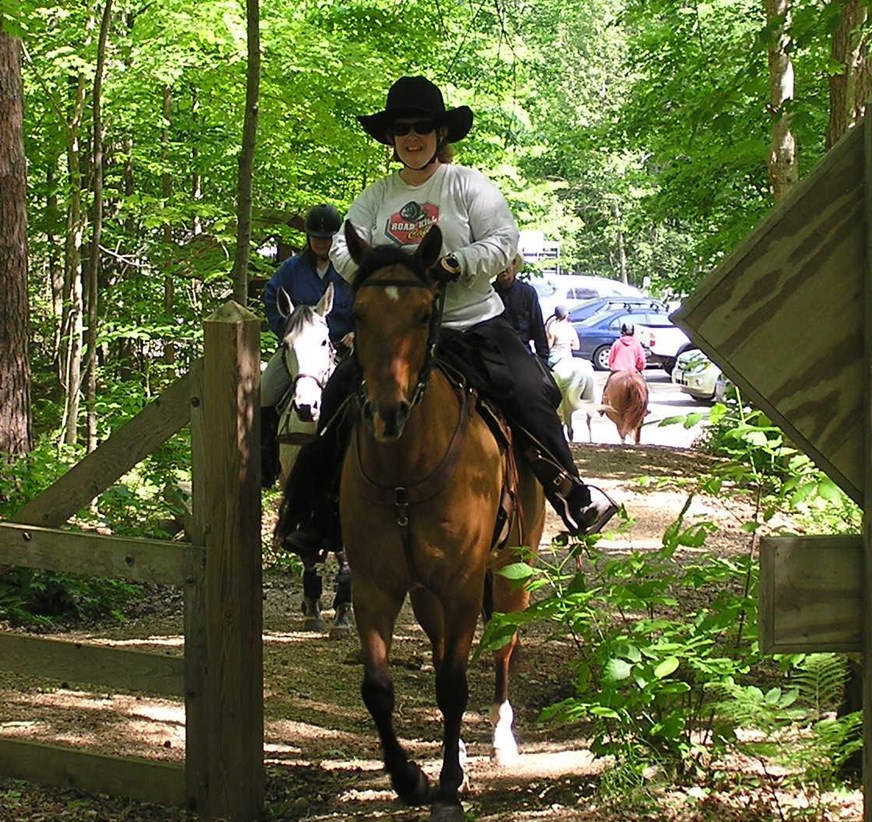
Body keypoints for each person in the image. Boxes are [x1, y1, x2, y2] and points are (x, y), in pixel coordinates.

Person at [275, 75, 620, 556]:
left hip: (472, 320)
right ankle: (317, 514)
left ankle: (571, 492)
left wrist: (458, 264)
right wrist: (380, 272)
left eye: (422, 127)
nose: (412, 137)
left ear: (440, 134)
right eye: (402, 129)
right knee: (335, 396)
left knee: (530, 388)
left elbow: (503, 240)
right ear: (391, 140)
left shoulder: (468, 185)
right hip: (398, 333)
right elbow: (341, 244)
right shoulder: (376, 195)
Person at [259, 204, 354, 487]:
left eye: (327, 238)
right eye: (317, 237)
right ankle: (266, 461)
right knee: (264, 393)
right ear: (308, 238)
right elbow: (271, 300)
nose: (322, 243)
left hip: (344, 348)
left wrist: (357, 332)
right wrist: (291, 336)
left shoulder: (350, 270)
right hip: (298, 351)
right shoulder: (291, 269)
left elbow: (368, 305)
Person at [495, 256, 549, 361]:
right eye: (499, 264)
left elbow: (538, 327)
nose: (503, 268)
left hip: (522, 351)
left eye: (506, 263)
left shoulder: (527, 292)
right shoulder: (490, 294)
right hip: (496, 353)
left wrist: (543, 360)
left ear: (513, 264)